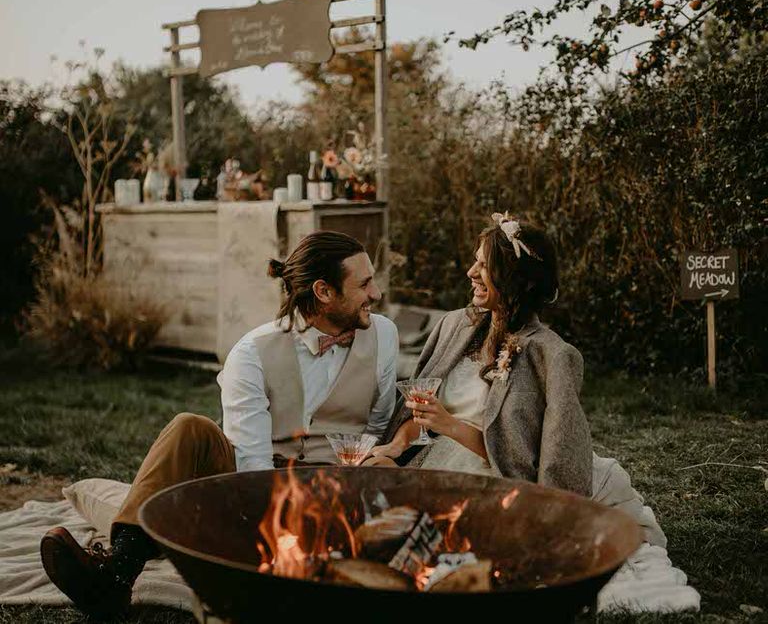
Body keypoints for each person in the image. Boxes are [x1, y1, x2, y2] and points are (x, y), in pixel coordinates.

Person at [40, 230, 398, 620]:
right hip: (259, 484)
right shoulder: (252, 353)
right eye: (364, 284)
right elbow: (250, 467)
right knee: (189, 427)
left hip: (337, 489)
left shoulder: (383, 335)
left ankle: (161, 532)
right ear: (324, 291)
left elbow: (377, 427)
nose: (376, 293)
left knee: (166, 509)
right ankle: (115, 576)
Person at [367, 213, 592, 495]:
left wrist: (449, 425)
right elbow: (420, 414)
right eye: (476, 261)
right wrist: (397, 445)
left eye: (485, 266)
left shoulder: (552, 355)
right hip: (427, 463)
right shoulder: (453, 325)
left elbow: (530, 460)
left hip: (492, 484)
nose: (471, 272)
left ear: (521, 280)